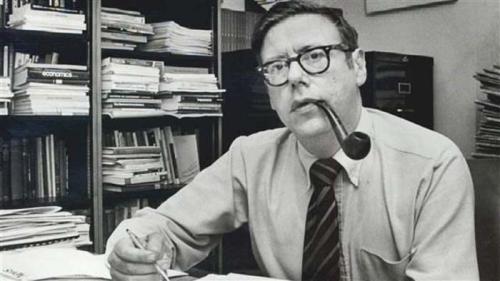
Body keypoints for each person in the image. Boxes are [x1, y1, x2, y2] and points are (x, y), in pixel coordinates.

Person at [106, 1, 479, 280]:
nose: (296, 78)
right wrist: (134, 247)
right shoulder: (251, 157)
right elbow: (164, 227)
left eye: (315, 56)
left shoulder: (433, 163)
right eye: (277, 67)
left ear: (358, 66)